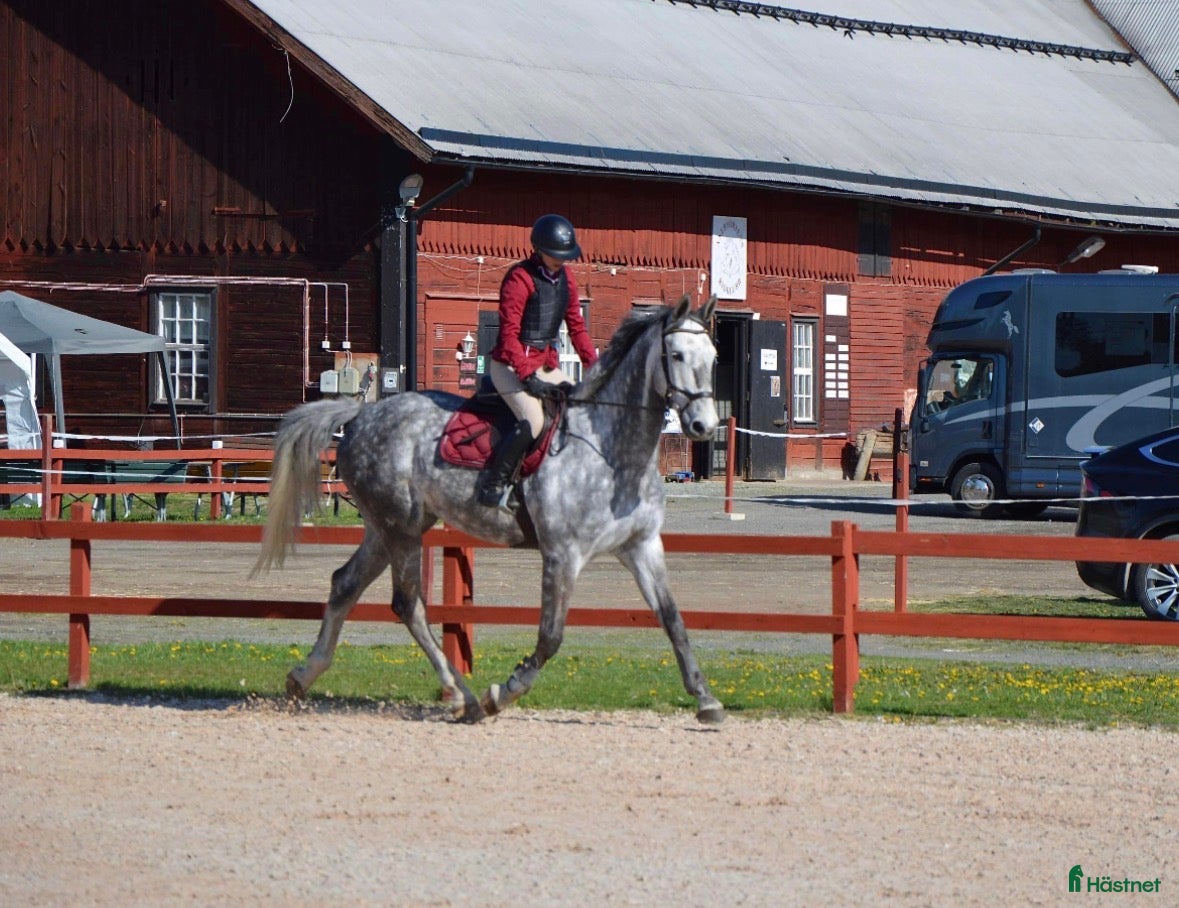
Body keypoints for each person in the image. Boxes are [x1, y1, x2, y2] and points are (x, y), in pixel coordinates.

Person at [478, 214, 598, 509]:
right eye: (556, 256)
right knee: (534, 421)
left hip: (544, 364)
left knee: (580, 409)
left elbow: (577, 328)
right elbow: (508, 336)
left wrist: (595, 368)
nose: (561, 261)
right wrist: (525, 375)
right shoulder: (519, 279)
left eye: (564, 256)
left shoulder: (566, 279)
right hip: (508, 365)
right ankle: (496, 483)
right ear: (539, 250)